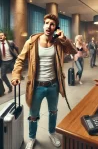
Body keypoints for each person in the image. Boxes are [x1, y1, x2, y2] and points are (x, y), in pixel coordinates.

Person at [11, 14, 77, 149]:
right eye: (46, 23)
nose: (49, 26)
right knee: (33, 114)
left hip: (53, 85)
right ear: (43, 25)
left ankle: (52, 132)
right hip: (37, 86)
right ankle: (32, 137)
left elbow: (73, 50)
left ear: (56, 27)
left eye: (52, 24)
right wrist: (16, 75)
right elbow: (20, 59)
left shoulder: (58, 42)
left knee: (53, 111)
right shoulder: (32, 41)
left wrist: (64, 38)